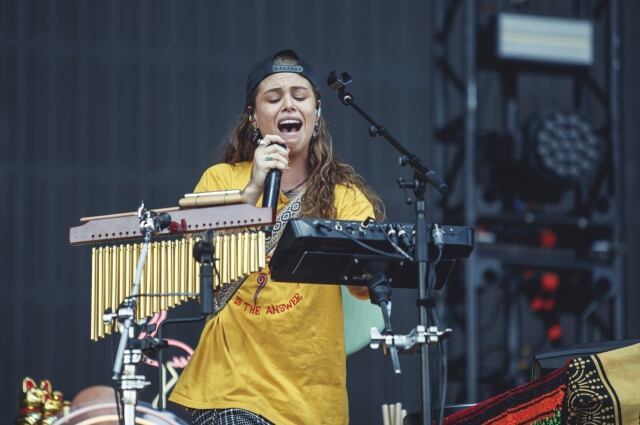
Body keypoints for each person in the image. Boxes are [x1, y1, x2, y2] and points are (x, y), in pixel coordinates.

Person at [169, 49, 384, 425]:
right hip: (229, 389)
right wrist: (252, 191)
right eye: (273, 98)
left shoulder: (345, 196)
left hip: (314, 403)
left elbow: (365, 283)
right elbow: (192, 265)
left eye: (299, 97)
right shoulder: (222, 179)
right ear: (254, 118)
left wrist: (372, 265)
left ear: (316, 113)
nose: (288, 104)